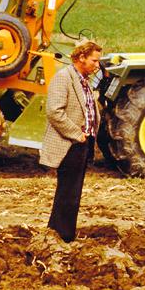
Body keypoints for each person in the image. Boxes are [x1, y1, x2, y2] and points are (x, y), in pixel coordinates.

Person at [40, 39, 103, 243]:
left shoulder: (83, 79)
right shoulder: (63, 78)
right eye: (94, 60)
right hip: (70, 144)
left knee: (73, 191)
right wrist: (78, 134)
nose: (97, 65)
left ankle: (62, 233)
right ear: (81, 57)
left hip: (82, 144)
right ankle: (61, 235)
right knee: (68, 192)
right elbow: (54, 112)